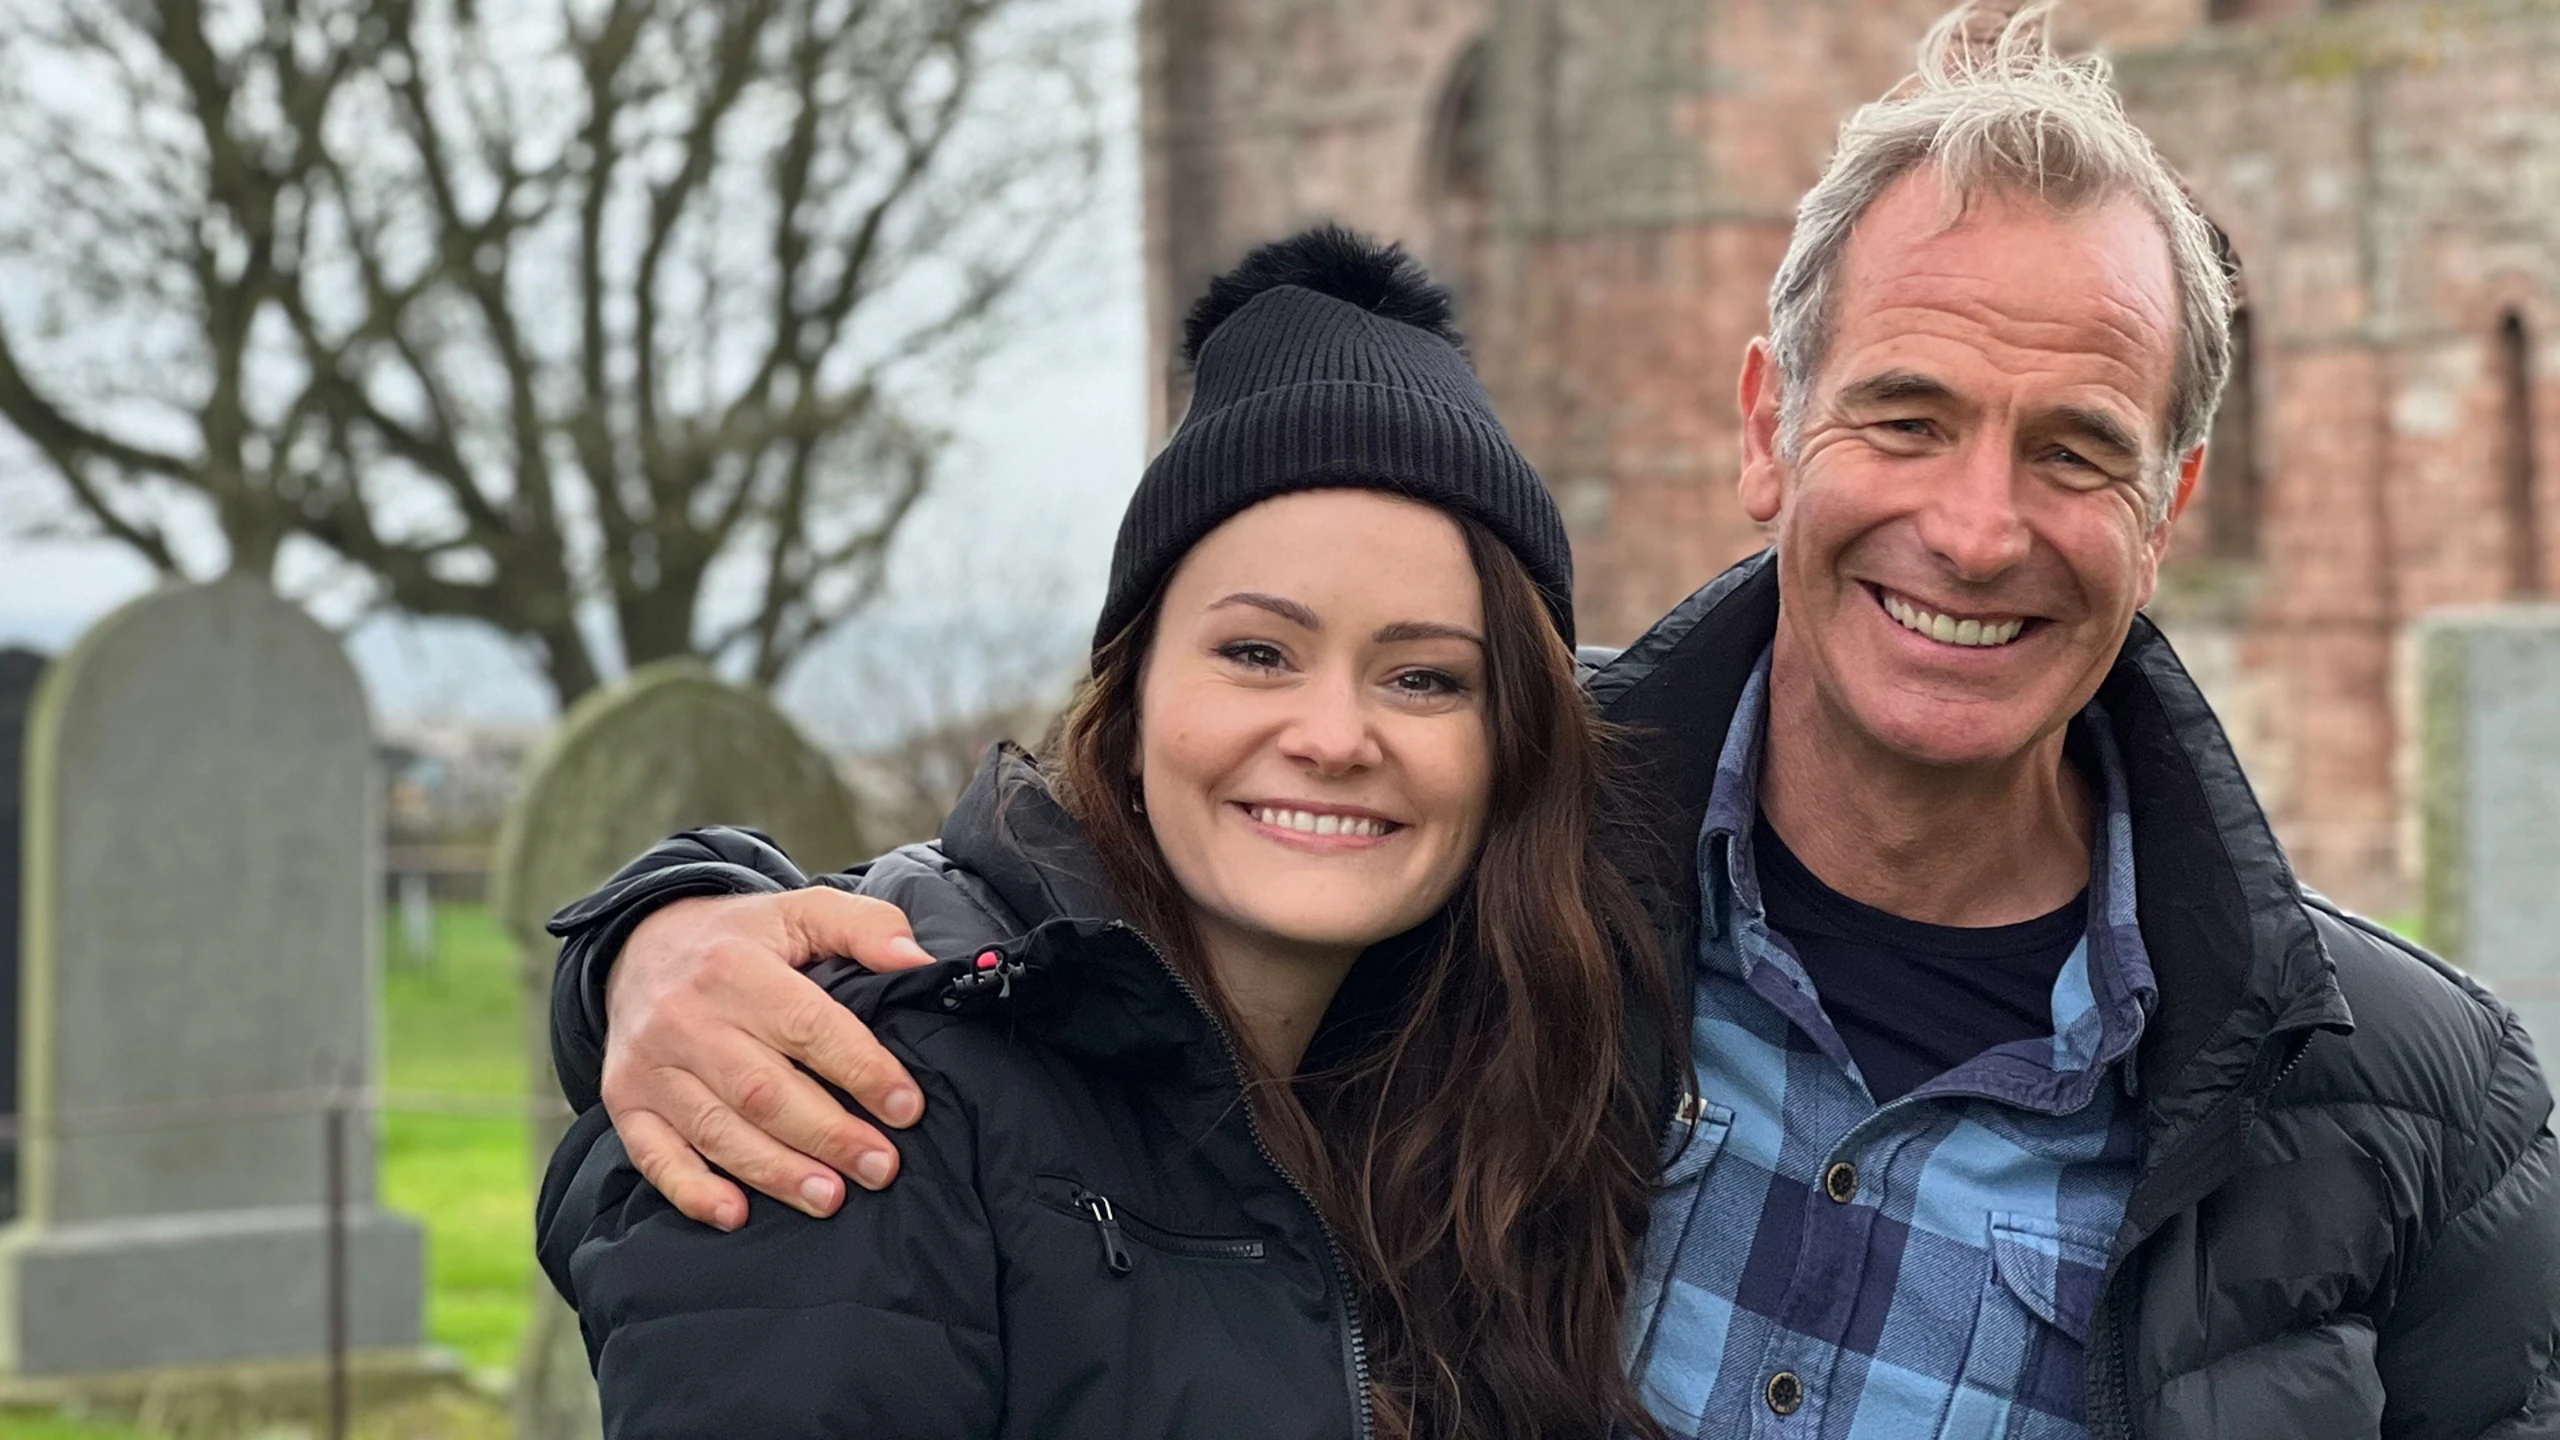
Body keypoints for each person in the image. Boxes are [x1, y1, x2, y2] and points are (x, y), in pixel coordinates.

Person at [546, 6, 2560, 1436]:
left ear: (2170, 501)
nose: (1972, 526)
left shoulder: (2410, 1107)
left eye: (2073, 449)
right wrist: (666, 940)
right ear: (1767, 430)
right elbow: (1058, 953)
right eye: (1903, 415)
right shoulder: (1471, 848)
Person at [539, 227, 1673, 1440]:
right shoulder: (858, 1098)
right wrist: (647, 927)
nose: (1334, 735)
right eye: (1258, 653)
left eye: (1425, 678)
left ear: (1513, 748)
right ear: (1129, 705)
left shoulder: (1487, 1107)